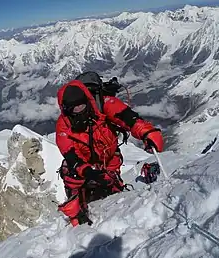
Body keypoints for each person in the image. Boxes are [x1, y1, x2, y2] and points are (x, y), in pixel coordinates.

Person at [55, 71, 164, 226]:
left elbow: (127, 117)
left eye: (82, 105)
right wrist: (87, 171)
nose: (79, 110)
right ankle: (76, 212)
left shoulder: (104, 105)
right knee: (70, 171)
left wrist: (146, 131)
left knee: (110, 188)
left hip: (109, 162)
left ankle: (111, 191)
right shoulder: (63, 126)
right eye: (75, 108)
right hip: (84, 166)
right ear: (66, 109)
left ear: (88, 100)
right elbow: (71, 155)